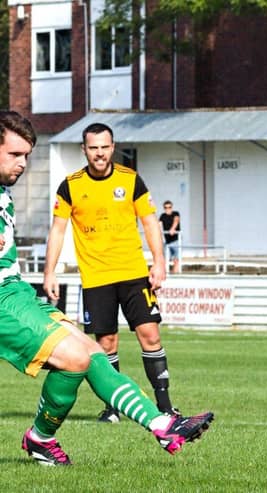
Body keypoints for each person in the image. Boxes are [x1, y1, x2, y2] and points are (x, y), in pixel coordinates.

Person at [0, 111, 213, 466]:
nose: (23, 164)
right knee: (75, 358)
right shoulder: (70, 186)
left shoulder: (4, 191)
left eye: (27, 155)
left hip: (18, 291)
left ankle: (163, 424)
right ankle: (41, 437)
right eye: (15, 155)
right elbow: (57, 229)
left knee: (93, 353)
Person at [43, 122, 177, 423]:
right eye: (93, 148)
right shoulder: (70, 186)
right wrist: (49, 272)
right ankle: (114, 408)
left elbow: (150, 221)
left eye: (105, 147)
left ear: (112, 147)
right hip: (96, 278)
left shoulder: (131, 180)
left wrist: (158, 262)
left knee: (150, 335)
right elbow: (58, 230)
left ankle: (166, 406)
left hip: (132, 273)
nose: (99, 153)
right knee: (106, 344)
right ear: (84, 150)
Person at [159, 200, 181, 274]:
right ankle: (165, 275)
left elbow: (176, 220)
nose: (168, 209)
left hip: (175, 241)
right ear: (164, 208)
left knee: (176, 259)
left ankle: (175, 276)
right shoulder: (163, 216)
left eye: (169, 207)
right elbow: (159, 224)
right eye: (166, 207)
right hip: (167, 242)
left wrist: (173, 228)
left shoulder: (175, 213)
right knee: (164, 259)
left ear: (172, 207)